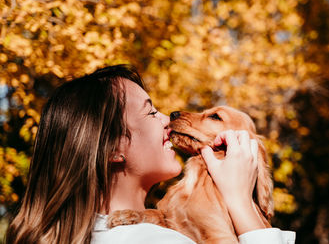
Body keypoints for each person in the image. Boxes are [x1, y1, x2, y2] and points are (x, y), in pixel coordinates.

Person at [6, 65, 295, 244]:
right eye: (149, 111)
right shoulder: (149, 240)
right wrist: (241, 202)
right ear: (114, 149)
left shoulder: (114, 232)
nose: (166, 119)